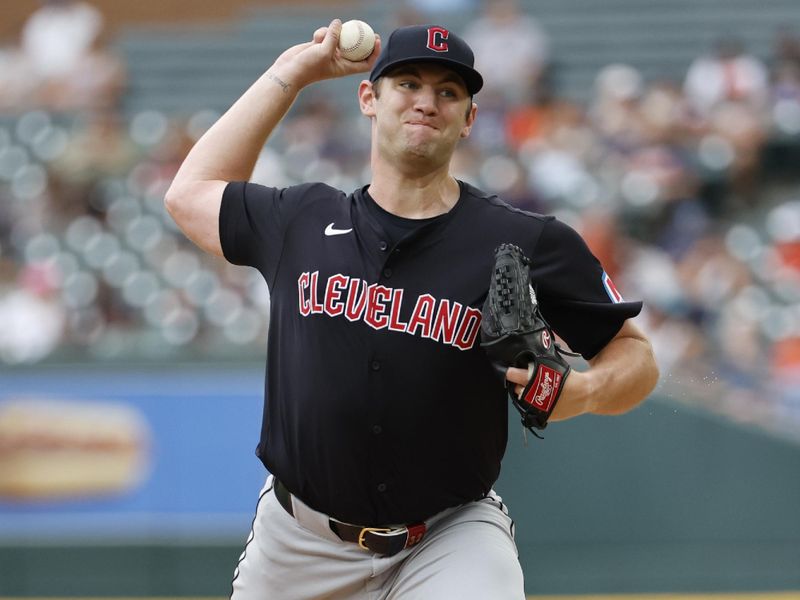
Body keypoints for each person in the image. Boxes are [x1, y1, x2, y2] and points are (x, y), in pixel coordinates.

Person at [165, 20, 659, 599]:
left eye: (448, 92)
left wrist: (589, 391)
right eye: (407, 83)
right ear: (369, 98)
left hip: (448, 535)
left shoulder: (524, 241)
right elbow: (187, 194)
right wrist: (292, 75)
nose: (427, 101)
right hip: (298, 543)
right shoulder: (297, 220)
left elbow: (637, 357)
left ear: (469, 118)